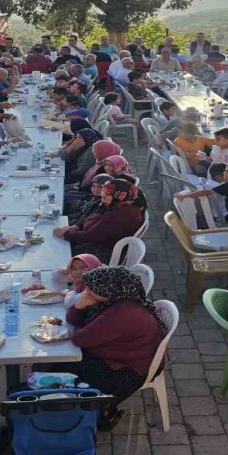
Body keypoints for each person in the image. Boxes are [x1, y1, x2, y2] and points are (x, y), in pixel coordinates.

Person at [64, 266, 165, 428]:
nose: (87, 291)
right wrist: (79, 306)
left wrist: (80, 315)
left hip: (127, 369)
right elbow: (73, 321)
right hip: (116, 354)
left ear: (109, 290)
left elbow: (79, 339)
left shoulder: (122, 313)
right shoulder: (117, 300)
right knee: (60, 366)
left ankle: (100, 414)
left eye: (92, 288)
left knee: (65, 377)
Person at [55, 179, 145, 262]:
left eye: (107, 195)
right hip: (95, 239)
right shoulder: (118, 203)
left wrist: (64, 234)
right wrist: (76, 226)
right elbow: (93, 214)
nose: (102, 196)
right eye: (103, 192)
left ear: (121, 196)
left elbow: (89, 236)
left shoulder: (120, 215)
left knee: (58, 251)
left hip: (102, 251)